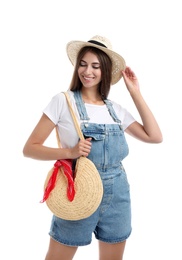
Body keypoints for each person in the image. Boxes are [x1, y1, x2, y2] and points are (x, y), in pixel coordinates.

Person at [23, 35, 163, 260]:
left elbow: (154, 136)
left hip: (118, 194)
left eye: (96, 66)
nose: (87, 71)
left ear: (105, 70)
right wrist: (69, 153)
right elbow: (30, 148)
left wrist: (134, 92)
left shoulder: (115, 109)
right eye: (83, 64)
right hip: (78, 190)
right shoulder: (63, 101)